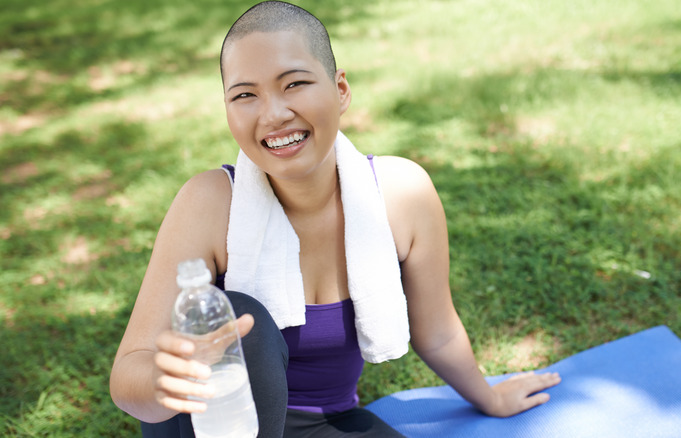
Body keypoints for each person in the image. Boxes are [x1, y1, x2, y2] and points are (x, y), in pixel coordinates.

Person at [109, 1, 561, 436]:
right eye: (245, 95)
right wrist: (161, 380)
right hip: (219, 422)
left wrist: (491, 398)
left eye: (294, 84)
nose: (273, 114)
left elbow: (438, 332)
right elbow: (129, 375)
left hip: (324, 420)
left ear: (340, 90)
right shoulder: (208, 202)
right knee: (247, 322)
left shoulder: (402, 195)